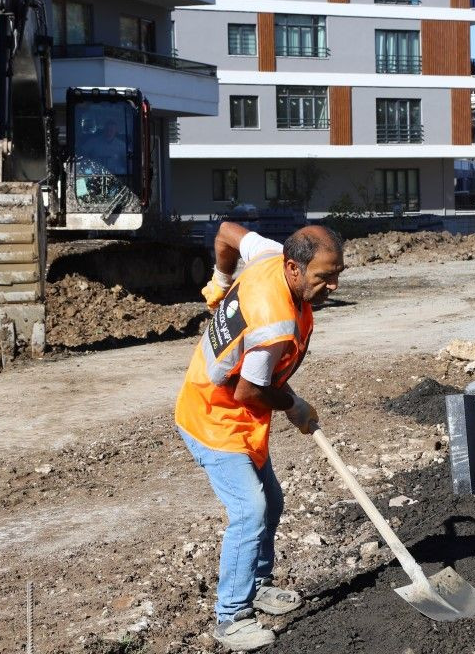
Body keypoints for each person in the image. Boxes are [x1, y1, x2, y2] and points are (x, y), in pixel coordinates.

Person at [175, 222, 345, 652]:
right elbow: (249, 390)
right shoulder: (275, 323)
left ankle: (259, 583)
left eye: (337, 274)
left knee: (272, 501)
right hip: (214, 417)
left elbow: (226, 232)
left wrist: (221, 279)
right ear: (293, 268)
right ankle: (230, 617)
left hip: (238, 414)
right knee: (250, 511)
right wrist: (294, 405)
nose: (333, 285)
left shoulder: (269, 252)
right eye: (323, 277)